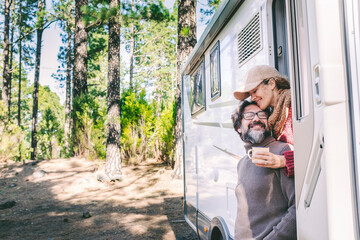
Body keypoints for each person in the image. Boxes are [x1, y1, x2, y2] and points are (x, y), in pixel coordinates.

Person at [231, 100, 296, 240]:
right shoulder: (242, 163)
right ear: (238, 127)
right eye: (249, 115)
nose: (256, 118)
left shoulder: (282, 151)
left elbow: (298, 208)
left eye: (262, 114)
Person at [233, 65, 294, 177]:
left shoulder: (293, 107)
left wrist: (283, 161)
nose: (252, 98)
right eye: (250, 94)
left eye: (255, 91)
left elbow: (315, 150)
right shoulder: (273, 116)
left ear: (271, 84)